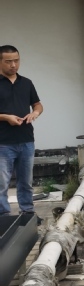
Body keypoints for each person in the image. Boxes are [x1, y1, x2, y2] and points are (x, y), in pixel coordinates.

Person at [0, 45, 43, 223]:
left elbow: (38, 104)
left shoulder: (26, 83)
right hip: (3, 142)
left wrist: (35, 113)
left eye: (16, 60)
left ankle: (28, 213)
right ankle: (3, 218)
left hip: (26, 140)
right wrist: (5, 117)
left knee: (26, 182)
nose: (13, 65)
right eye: (8, 61)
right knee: (2, 183)